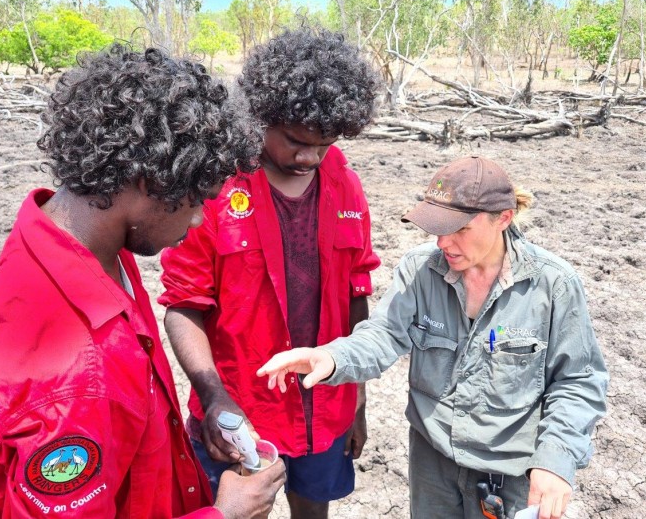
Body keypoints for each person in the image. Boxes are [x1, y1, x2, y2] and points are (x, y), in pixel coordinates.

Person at [0, 45, 285, 518]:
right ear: (149, 181)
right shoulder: (73, 377)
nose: (203, 219)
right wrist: (224, 515)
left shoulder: (74, 243)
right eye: (199, 198)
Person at [258, 155, 609, 519]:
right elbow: (384, 334)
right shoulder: (420, 269)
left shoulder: (553, 285)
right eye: (437, 228)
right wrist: (332, 357)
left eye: (459, 229)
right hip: (433, 463)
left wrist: (555, 460)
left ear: (503, 219)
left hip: (511, 474)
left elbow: (579, 380)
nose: (443, 242)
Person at [158, 28, 381, 519]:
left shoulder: (345, 185)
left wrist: (358, 401)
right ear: (259, 116)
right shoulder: (216, 186)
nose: (310, 158)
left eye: (324, 144)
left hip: (327, 410)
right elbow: (183, 305)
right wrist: (213, 396)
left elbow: (355, 298)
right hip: (238, 416)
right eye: (297, 142)